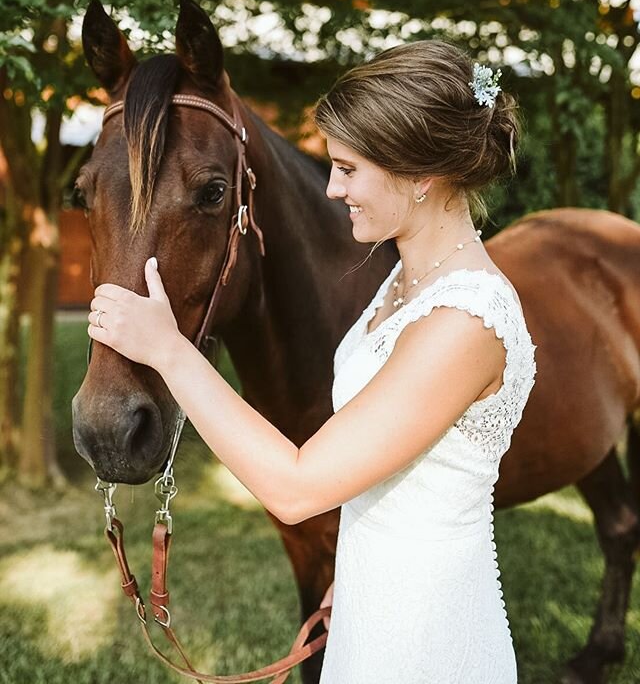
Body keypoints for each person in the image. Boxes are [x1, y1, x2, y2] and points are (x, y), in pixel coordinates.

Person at [87, 40, 537, 683]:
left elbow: (298, 488)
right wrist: (357, 577)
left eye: (350, 169)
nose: (333, 188)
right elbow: (387, 466)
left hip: (426, 641)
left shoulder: (464, 320)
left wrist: (170, 351)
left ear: (420, 176)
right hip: (372, 607)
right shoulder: (406, 283)